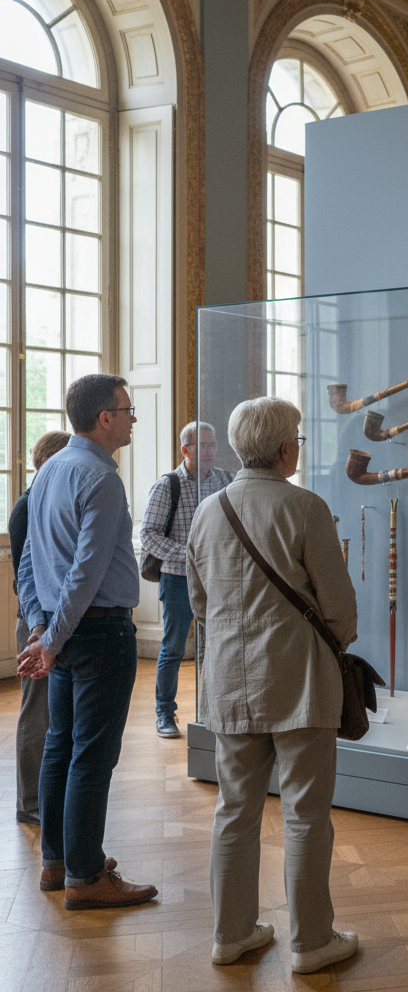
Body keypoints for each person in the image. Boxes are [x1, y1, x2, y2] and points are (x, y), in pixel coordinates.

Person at [186, 396, 359, 972]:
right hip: (300, 679)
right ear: (287, 448)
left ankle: (230, 933)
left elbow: (200, 605)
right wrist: (337, 637)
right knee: (307, 814)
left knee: (235, 809)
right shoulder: (305, 507)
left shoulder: (208, 510)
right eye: (300, 442)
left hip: (231, 679)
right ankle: (312, 942)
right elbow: (338, 606)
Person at [16, 374, 158, 910]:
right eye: (127, 409)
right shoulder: (99, 478)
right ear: (104, 418)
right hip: (97, 632)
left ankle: (59, 860)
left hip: (63, 628)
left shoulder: (51, 468)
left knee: (60, 749)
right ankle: (85, 875)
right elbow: (86, 572)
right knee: (92, 758)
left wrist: (40, 627)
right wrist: (49, 639)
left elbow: (28, 561)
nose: (133, 418)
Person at [140, 421, 233, 738]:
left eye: (212, 445)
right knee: (173, 648)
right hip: (178, 579)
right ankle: (165, 713)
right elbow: (148, 536)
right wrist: (189, 554)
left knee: (217, 647)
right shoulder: (168, 485)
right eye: (202, 446)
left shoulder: (224, 480)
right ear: (185, 449)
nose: (209, 452)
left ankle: (212, 711)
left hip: (217, 580)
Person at [10, 430, 72, 824]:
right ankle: (31, 804)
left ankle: (50, 799)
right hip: (37, 625)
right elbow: (28, 576)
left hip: (52, 622)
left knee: (54, 715)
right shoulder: (29, 504)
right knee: (37, 714)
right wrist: (39, 629)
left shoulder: (42, 500)